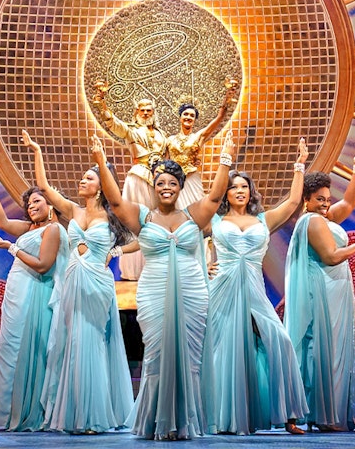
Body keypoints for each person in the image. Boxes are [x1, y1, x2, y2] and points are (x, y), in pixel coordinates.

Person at [93, 131, 233, 440]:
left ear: (181, 187)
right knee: (155, 353)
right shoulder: (142, 217)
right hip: (154, 289)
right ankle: (157, 419)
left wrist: (225, 157)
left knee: (190, 355)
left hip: (192, 290)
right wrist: (102, 162)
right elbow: (115, 200)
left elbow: (214, 196)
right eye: (160, 183)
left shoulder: (192, 214)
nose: (166, 187)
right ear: (153, 188)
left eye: (172, 182)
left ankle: (186, 421)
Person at [201, 138, 322, 435]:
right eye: (234, 187)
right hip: (224, 288)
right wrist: (201, 266)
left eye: (244, 187)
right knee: (222, 349)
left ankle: (288, 414)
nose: (240, 191)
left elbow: (293, 203)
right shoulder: (214, 221)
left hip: (254, 290)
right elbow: (182, 238)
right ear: (226, 193)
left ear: (251, 192)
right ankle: (219, 415)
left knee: (279, 341)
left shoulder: (263, 220)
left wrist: (299, 165)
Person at [22, 129, 134, 434]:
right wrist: (36, 150)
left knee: (91, 340)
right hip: (72, 281)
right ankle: (75, 413)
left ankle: (92, 415)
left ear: (100, 187)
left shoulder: (114, 216)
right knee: (72, 341)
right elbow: (44, 186)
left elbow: (142, 238)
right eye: (83, 178)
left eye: (88, 178)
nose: (82, 182)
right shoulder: (73, 209)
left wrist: (117, 250)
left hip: (97, 282)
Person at [284, 156, 355, 431]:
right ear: (307, 200)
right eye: (319, 199)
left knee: (330, 350)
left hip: (334, 290)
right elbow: (332, 256)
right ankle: (322, 414)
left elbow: (349, 203)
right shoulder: (313, 221)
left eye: (326, 199)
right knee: (323, 350)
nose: (325, 204)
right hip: (324, 291)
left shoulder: (322, 217)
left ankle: (325, 412)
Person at [0, 169, 67, 432]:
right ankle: (10, 411)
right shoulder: (30, 228)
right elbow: (1, 221)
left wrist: (12, 248)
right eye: (29, 204)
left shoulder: (52, 229)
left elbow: (44, 266)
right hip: (16, 293)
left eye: (37, 202)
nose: (31, 207)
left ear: (51, 204)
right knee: (10, 350)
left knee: (31, 349)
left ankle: (32, 411)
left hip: (36, 292)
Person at [92, 81, 167, 280]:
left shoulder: (161, 134)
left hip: (159, 179)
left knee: (158, 222)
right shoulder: (131, 130)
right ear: (136, 112)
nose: (145, 113)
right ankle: (134, 270)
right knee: (136, 224)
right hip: (139, 176)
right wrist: (101, 103)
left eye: (148, 110)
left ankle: (157, 265)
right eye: (141, 110)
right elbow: (112, 122)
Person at [163, 79, 237, 209]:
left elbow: (219, 118)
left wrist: (227, 98)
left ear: (195, 120)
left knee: (195, 211)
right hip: (174, 181)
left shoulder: (198, 137)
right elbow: (165, 162)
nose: (188, 117)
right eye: (185, 114)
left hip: (191, 179)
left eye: (192, 116)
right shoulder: (169, 140)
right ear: (180, 117)